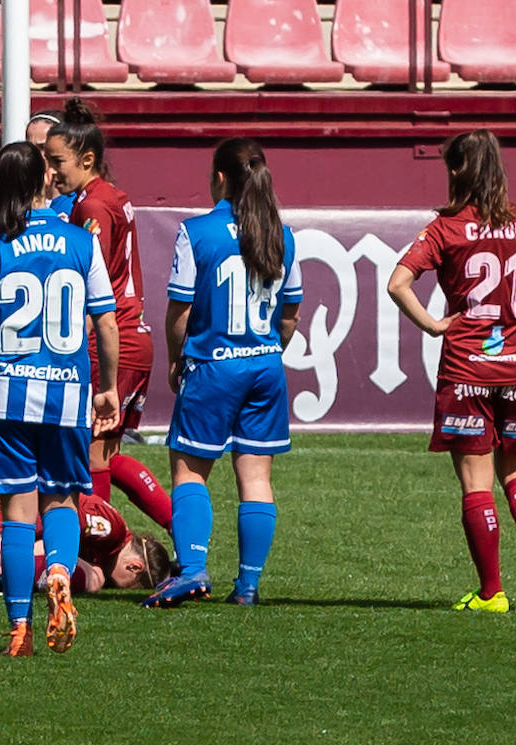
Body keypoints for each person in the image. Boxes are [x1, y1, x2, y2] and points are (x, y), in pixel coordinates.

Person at [387, 130, 516, 613]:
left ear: (458, 170)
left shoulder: (446, 228)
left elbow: (399, 284)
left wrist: (436, 325)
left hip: (467, 368)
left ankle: (491, 592)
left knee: (476, 483)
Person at [0, 141, 120, 656]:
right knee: (62, 497)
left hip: (8, 401)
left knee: (17, 514)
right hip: (67, 396)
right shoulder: (81, 243)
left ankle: (20, 628)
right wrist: (107, 386)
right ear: (46, 179)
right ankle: (61, 570)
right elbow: (106, 321)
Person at [142, 138, 303, 609]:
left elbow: (179, 310)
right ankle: (248, 585)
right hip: (266, 366)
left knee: (190, 470)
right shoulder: (283, 236)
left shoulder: (197, 232)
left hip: (215, 365)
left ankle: (191, 570)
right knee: (255, 477)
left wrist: (176, 358)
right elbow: (290, 315)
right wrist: (270, 350)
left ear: (219, 179)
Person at [43, 99, 174, 540]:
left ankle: (96, 547)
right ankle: (180, 528)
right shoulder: (109, 197)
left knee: (92, 455)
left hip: (110, 339)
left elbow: (90, 285)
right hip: (135, 336)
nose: (51, 171)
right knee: (106, 451)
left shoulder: (92, 208)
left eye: (56, 161)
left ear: (86, 159)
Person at [0, 496, 175, 597]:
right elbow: (61, 514)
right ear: (135, 567)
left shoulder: (103, 543)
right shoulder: (112, 530)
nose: (118, 587)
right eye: (128, 586)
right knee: (93, 578)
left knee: (65, 552)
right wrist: (3, 544)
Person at [24, 109, 75, 220]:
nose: (34, 154)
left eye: (42, 147)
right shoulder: (21, 201)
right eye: (30, 147)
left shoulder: (78, 201)